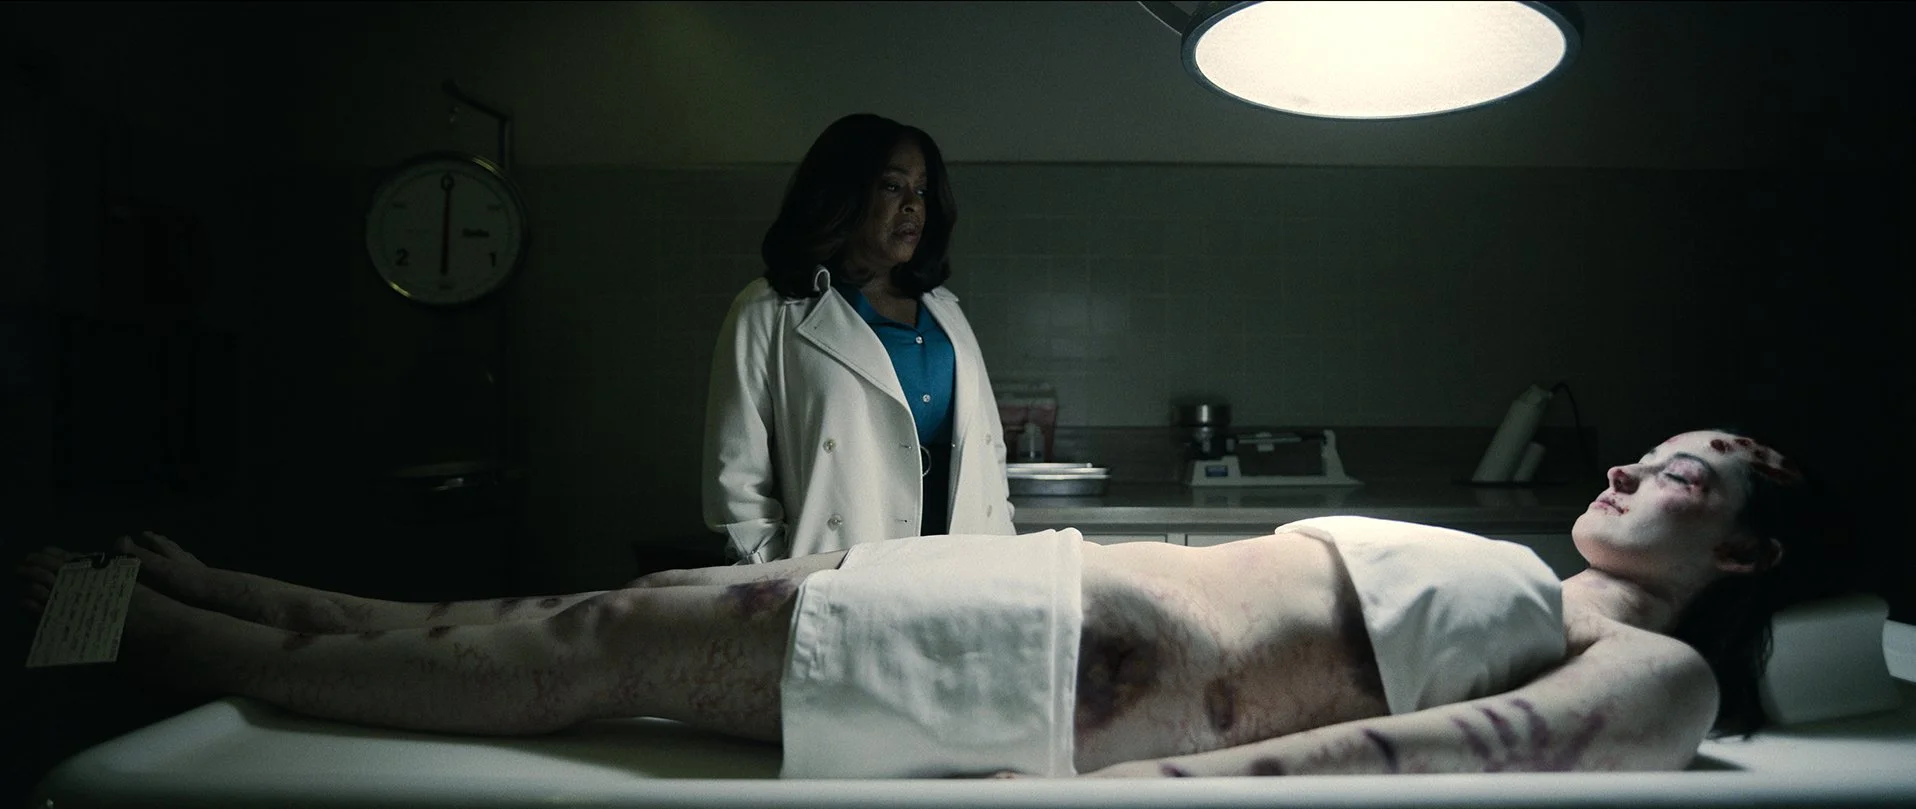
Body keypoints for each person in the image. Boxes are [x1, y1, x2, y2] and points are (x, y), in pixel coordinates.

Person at [17, 429, 1856, 778]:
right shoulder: (1532, 578)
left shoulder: (1639, 656)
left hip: (1019, 662)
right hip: (1000, 603)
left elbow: (1438, 752)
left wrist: (1166, 790)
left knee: (586, 654)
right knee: (594, 603)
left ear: (1751, 556)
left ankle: (147, 633)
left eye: (1695, 473)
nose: (1641, 463)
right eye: (1651, 447)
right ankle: (226, 588)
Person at [703, 112, 1015, 564]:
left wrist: (1004, 549)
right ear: (842, 195)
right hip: (837, 572)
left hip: (963, 569)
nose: (912, 205)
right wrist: (775, 573)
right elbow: (736, 478)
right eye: (892, 186)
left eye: (921, 190)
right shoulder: (770, 310)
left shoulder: (945, 311)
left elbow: (990, 450)